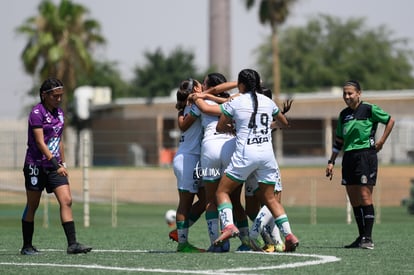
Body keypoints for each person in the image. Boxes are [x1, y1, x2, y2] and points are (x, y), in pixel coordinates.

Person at [213, 69, 299, 252]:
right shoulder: (268, 101)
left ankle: (228, 225)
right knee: (270, 199)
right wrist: (269, 126)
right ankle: (289, 235)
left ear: (241, 84)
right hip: (267, 155)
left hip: (246, 155)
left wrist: (233, 129)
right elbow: (283, 123)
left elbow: (220, 126)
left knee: (222, 191)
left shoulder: (236, 101)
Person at [21, 78, 92, 255]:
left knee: (66, 200)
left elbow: (58, 140)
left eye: (61, 96)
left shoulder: (60, 114)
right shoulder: (36, 113)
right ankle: (27, 246)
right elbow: (39, 142)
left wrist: (63, 163)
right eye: (55, 96)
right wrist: (55, 163)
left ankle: (72, 244)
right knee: (33, 205)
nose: (59, 99)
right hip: (35, 165)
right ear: (44, 95)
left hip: (55, 167)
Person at [326, 80, 395, 250]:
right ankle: (361, 236)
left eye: (350, 93)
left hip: (366, 156)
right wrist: (331, 161)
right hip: (348, 157)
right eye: (345, 94)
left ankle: (368, 238)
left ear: (359, 93)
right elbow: (339, 140)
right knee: (354, 199)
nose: (347, 96)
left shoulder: (369, 109)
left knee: (365, 196)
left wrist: (381, 142)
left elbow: (390, 120)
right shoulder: (343, 115)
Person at [171, 79, 206, 253]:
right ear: (194, 90)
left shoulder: (192, 106)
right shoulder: (195, 107)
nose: (203, 87)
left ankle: (179, 232)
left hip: (195, 160)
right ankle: (182, 243)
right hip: (188, 160)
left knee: (207, 200)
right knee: (185, 203)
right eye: (200, 85)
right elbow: (183, 126)